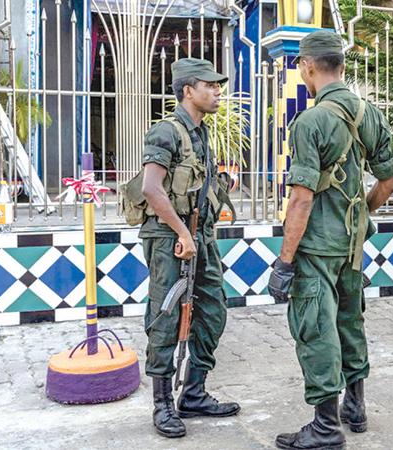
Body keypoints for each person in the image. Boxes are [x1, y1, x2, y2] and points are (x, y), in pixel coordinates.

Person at [267, 30, 393, 450]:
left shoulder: (309, 122)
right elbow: (389, 181)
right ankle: (355, 407)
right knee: (349, 320)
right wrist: (361, 214)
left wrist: (284, 262)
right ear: (340, 65)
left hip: (317, 249)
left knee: (315, 329)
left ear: (307, 65)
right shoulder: (369, 112)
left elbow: (301, 199)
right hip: (352, 245)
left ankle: (325, 427)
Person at [139, 58, 239, 437]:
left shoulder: (202, 133)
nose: (217, 92)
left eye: (217, 85)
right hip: (170, 237)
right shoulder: (166, 131)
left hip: (200, 236)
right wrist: (182, 232)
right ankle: (162, 403)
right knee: (165, 317)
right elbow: (151, 187)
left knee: (212, 312)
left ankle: (193, 393)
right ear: (187, 91)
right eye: (209, 85)